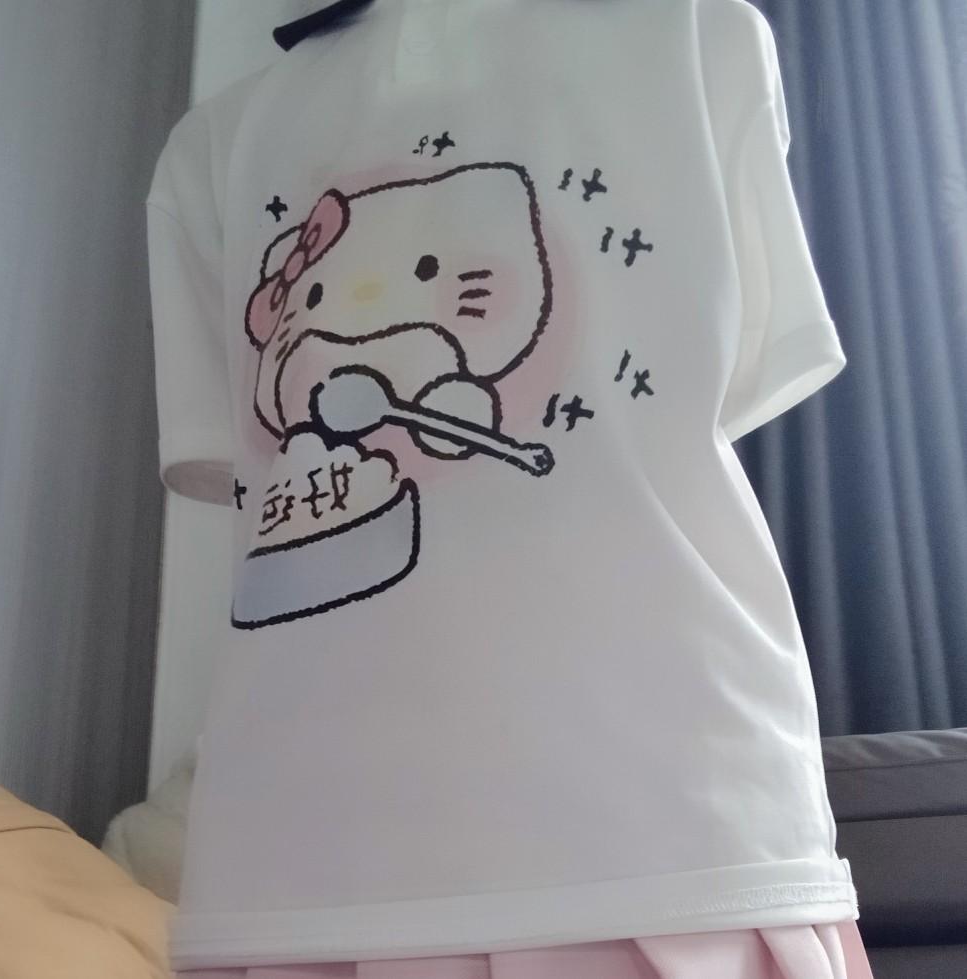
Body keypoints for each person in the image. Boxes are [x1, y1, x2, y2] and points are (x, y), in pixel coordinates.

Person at [145, 1, 876, 976]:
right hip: (300, 862)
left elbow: (675, 410)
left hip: (670, 823)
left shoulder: (698, 36)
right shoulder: (211, 152)